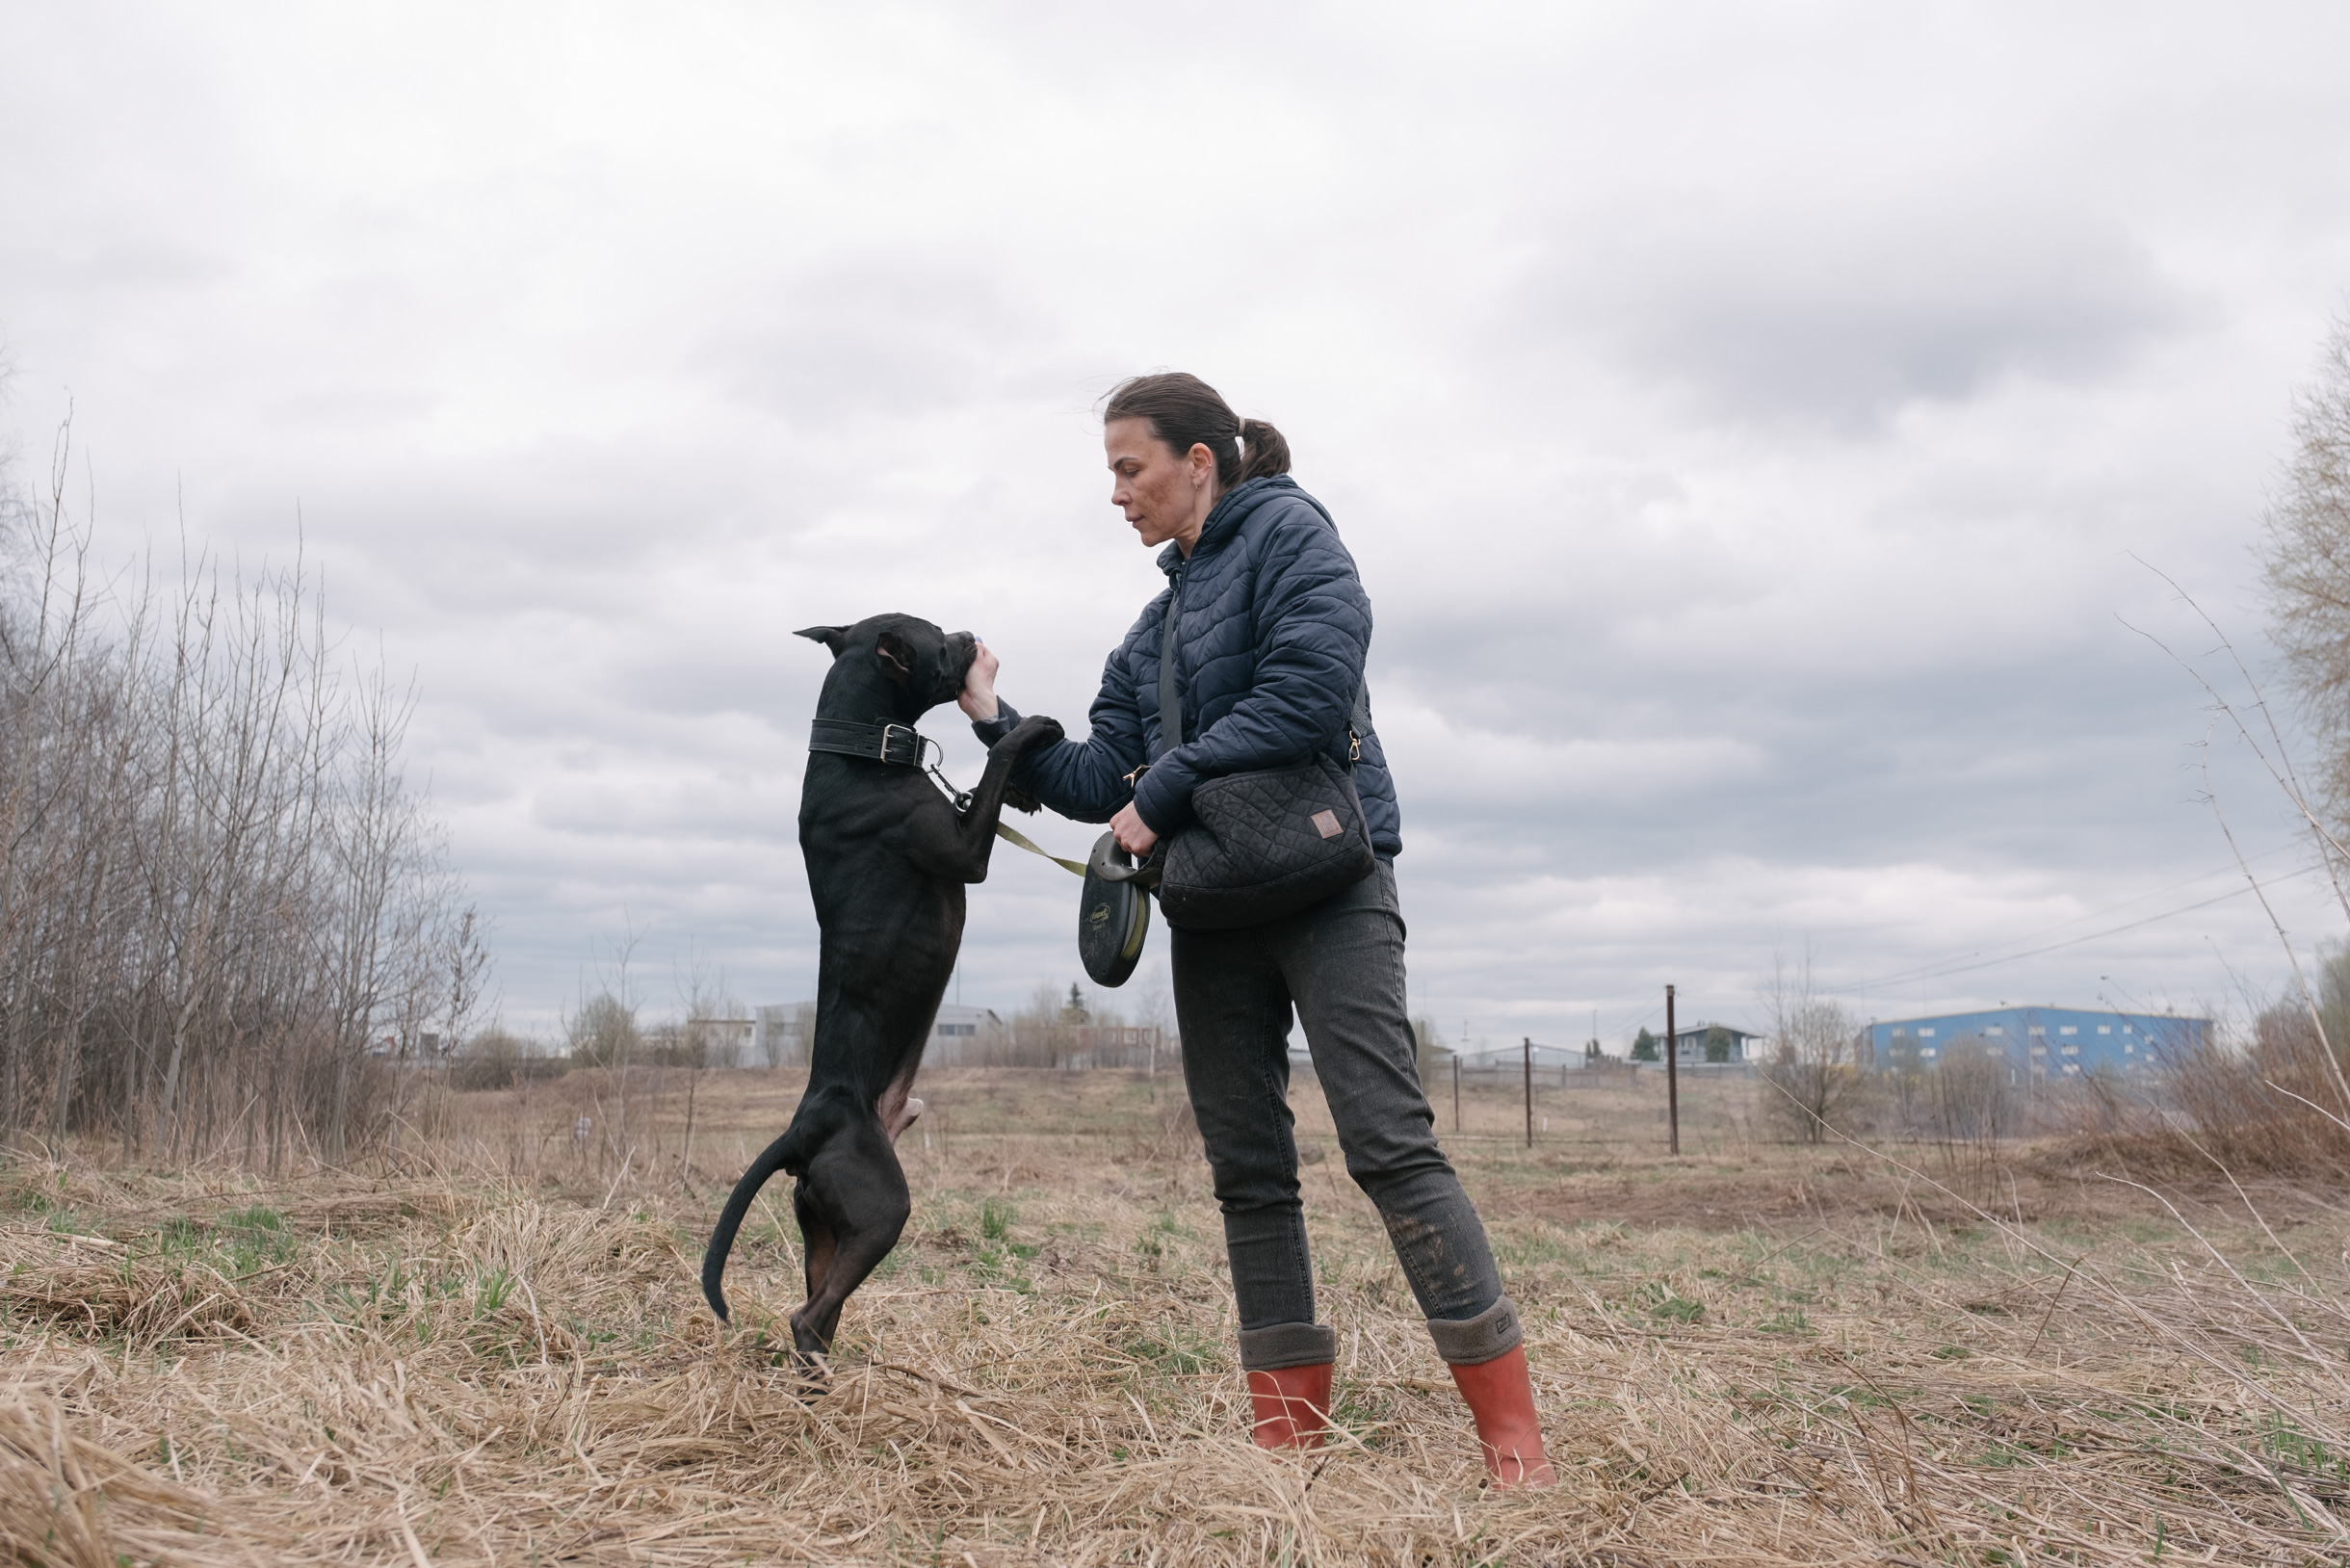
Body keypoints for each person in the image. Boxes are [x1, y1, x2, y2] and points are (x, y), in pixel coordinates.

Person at [958, 373, 1554, 1487]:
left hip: (1330, 882)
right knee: (1248, 1169)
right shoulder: (1151, 626)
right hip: (1216, 909)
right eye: (1109, 474)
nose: (1117, 493)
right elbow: (1098, 776)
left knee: (1389, 1144)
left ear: (1200, 460)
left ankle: (1510, 1437)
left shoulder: (1290, 532)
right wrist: (993, 717)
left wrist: (1168, 783)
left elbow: (1310, 690)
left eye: (1128, 468)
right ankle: (1287, 1440)